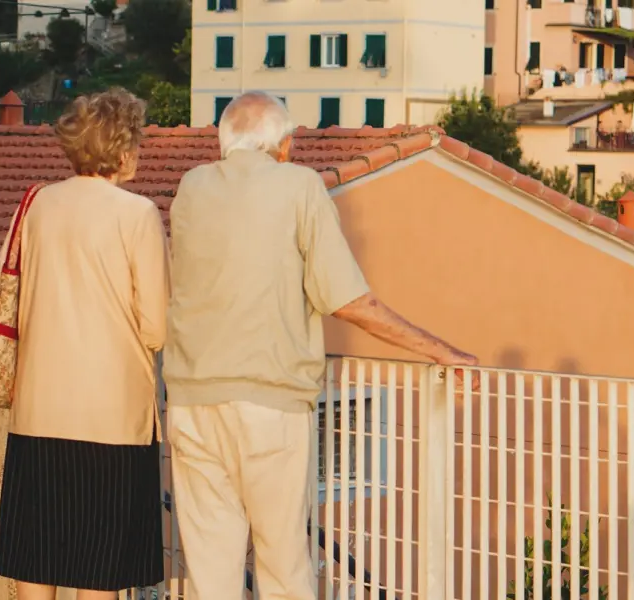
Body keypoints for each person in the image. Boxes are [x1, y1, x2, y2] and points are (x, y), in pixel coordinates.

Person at [163, 91, 478, 600]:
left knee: (209, 576)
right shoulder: (299, 186)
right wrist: (441, 349)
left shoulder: (191, 188)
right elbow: (348, 300)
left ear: (225, 143)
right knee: (284, 567)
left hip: (192, 403)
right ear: (285, 146)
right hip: (270, 404)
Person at [0, 88, 169, 600]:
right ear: (123, 148)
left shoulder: (37, 203)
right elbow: (155, 326)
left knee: (37, 559)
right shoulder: (139, 214)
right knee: (98, 570)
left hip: (38, 410)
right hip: (112, 417)